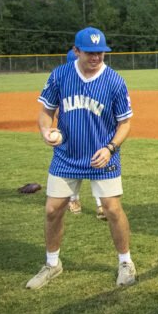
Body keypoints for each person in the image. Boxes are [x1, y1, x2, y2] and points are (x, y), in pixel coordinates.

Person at [27, 27, 136, 290]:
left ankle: (126, 262)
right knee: (52, 209)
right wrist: (45, 130)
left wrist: (110, 148)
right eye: (90, 52)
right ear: (76, 51)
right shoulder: (60, 75)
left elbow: (125, 123)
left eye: (100, 53)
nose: (96, 57)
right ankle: (52, 264)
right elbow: (46, 111)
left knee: (112, 209)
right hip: (66, 156)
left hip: (102, 157)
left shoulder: (114, 81)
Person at [64, 47, 107, 221]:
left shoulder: (100, 82)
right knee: (72, 171)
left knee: (98, 167)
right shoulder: (66, 81)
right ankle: (73, 199)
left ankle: (101, 204)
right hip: (72, 137)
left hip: (96, 136)